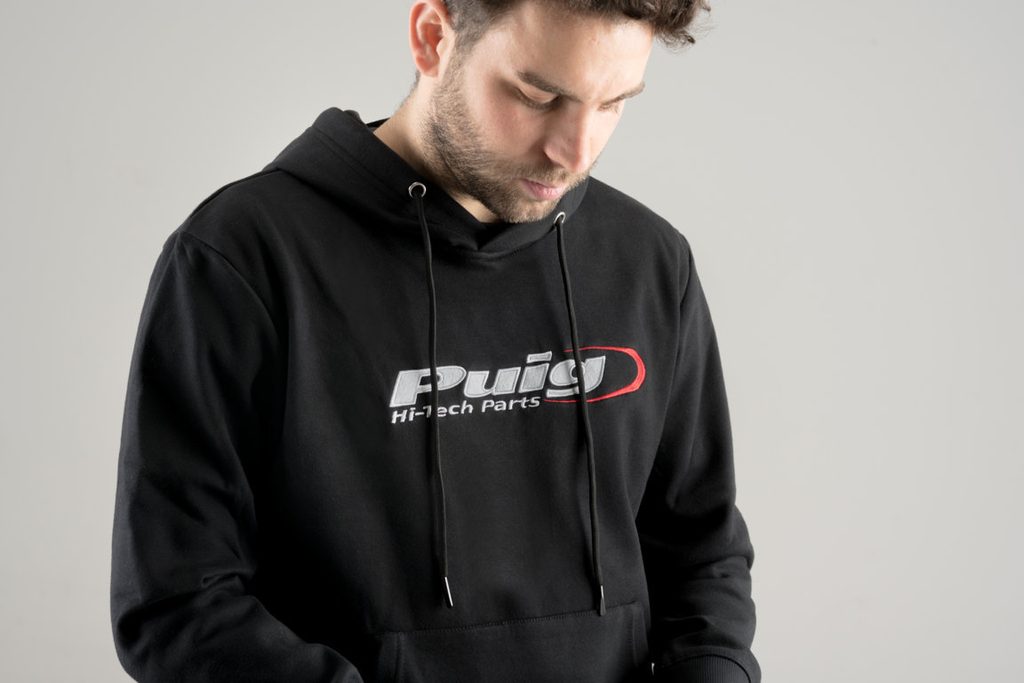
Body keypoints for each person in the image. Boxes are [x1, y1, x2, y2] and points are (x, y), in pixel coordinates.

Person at [110, 1, 760, 681]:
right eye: (538, 97)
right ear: (432, 37)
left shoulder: (648, 261)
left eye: (613, 103)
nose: (575, 152)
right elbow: (177, 599)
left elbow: (701, 548)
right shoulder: (246, 257)